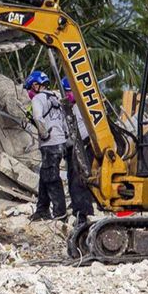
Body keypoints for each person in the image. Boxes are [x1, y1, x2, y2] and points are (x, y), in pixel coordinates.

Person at [25, 70, 69, 221]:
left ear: (36, 85)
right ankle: (42, 210)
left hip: (50, 143)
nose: (30, 92)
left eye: (31, 87)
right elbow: (63, 121)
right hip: (60, 142)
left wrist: (44, 134)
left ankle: (60, 213)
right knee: (45, 176)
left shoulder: (38, 98)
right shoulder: (55, 98)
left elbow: (38, 117)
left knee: (51, 178)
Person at [61, 76, 95, 226]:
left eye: (68, 91)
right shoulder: (70, 108)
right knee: (73, 178)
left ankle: (83, 211)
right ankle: (79, 207)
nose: (66, 94)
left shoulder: (82, 108)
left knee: (78, 180)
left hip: (82, 145)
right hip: (73, 146)